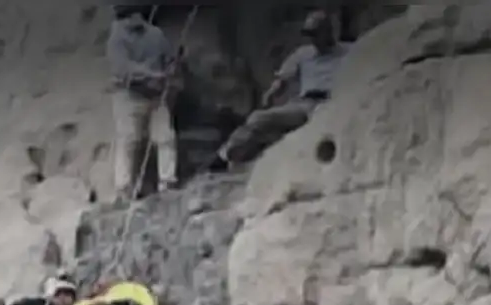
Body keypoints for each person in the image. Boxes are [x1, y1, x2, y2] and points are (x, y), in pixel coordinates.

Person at [212, 10, 350, 168]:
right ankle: (226, 156)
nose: (312, 39)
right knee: (258, 118)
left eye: (315, 33)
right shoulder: (303, 54)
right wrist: (271, 94)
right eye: (309, 34)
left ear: (328, 31)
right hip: (305, 103)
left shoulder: (349, 51)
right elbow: (282, 79)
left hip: (334, 101)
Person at [107, 5, 180, 200]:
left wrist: (172, 69)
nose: (132, 19)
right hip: (128, 95)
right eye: (128, 16)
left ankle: (168, 181)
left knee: (165, 137)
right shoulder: (117, 36)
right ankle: (123, 188)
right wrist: (154, 75)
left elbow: (170, 59)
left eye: (135, 14)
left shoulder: (156, 35)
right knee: (129, 139)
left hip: (156, 95)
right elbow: (123, 68)